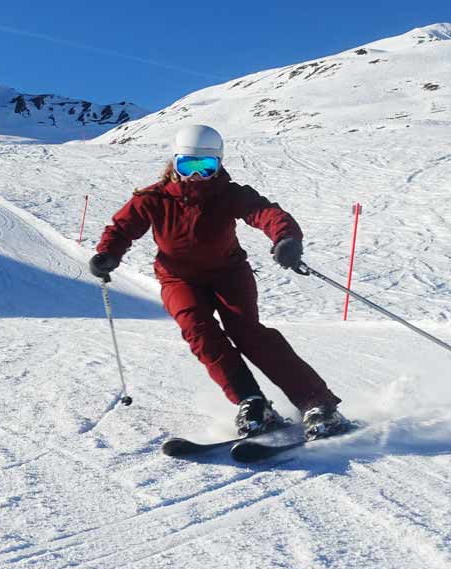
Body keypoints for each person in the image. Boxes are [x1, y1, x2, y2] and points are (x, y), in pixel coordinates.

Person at [90, 124, 347, 440]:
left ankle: (318, 404)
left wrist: (286, 238)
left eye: (206, 167)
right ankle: (252, 402)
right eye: (189, 166)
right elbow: (121, 228)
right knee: (199, 332)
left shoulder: (229, 194)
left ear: (219, 164)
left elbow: (265, 212)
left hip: (229, 275)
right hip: (179, 279)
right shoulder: (153, 198)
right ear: (175, 162)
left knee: (248, 334)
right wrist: (108, 254)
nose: (197, 175)